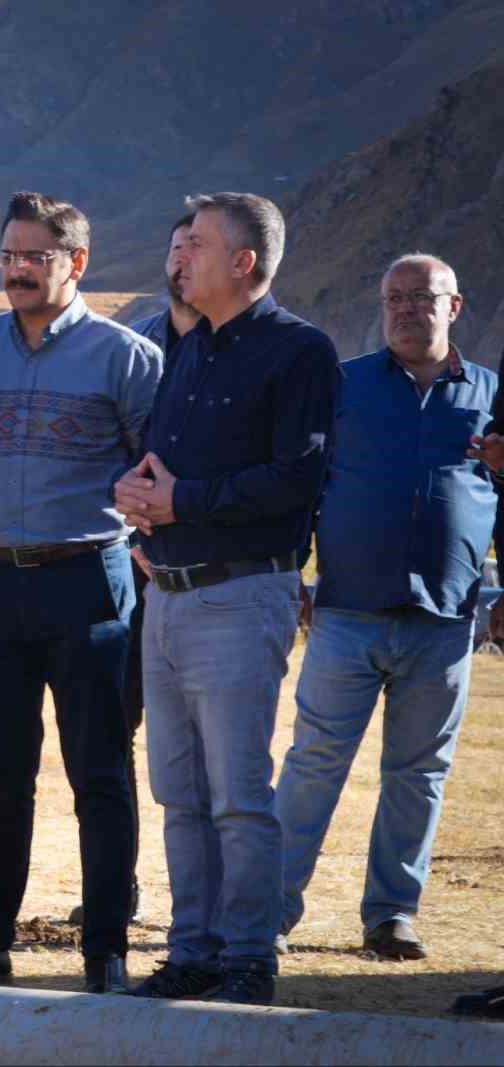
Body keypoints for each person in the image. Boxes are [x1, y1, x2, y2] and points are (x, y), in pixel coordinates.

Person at [0, 191, 161, 996]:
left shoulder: (127, 357)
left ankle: (105, 948)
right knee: (1, 779)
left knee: (101, 772)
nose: (17, 270)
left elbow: (152, 467)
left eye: (36, 257)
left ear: (77, 262)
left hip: (89, 579)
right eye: (8, 256)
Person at [115, 192, 341, 1005]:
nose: (179, 258)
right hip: (167, 595)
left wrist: (183, 502)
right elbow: (161, 460)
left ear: (243, 262)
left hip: (242, 593)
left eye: (198, 245)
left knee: (239, 795)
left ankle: (249, 956)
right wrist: (139, 498)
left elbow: (297, 477)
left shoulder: (300, 351)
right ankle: (193, 951)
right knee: (179, 792)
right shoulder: (186, 349)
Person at [277, 254, 499, 961]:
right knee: (313, 764)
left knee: (419, 773)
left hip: (445, 618)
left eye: (421, 297)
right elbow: (303, 483)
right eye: (394, 297)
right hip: (347, 610)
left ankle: (392, 914)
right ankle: (266, 912)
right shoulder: (343, 385)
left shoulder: (492, 394)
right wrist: (292, 573)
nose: (406, 308)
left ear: (453, 306)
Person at [70, 213, 198, 926]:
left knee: (198, 750)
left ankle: (203, 903)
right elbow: (98, 456)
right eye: (175, 247)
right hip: (122, 576)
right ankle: (113, 889)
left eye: (196, 248)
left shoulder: (253, 354)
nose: (182, 261)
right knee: (108, 739)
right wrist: (127, 530)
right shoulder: (133, 348)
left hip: (207, 574)